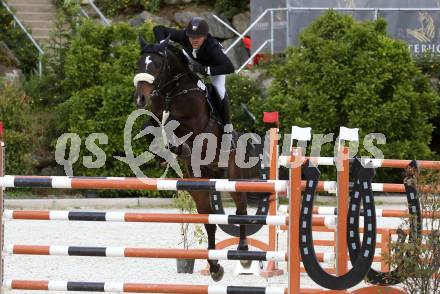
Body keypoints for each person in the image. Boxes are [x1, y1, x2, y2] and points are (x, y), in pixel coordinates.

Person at [153, 17, 235, 131]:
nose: (194, 40)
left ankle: (227, 127)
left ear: (205, 36)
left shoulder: (213, 48)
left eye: (198, 38)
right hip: (192, 59)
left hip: (213, 66)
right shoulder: (184, 36)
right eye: (191, 37)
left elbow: (230, 67)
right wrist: (164, 45)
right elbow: (158, 29)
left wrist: (204, 70)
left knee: (220, 91)